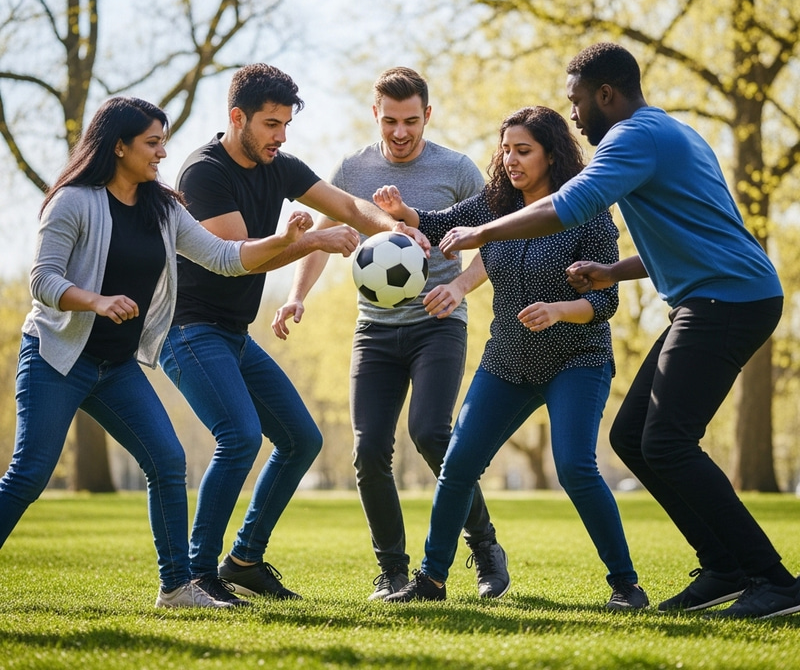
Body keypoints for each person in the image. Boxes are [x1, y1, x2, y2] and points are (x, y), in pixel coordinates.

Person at [436, 42, 800, 620]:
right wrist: (614, 271)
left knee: (668, 441)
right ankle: (723, 569)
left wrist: (484, 232)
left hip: (728, 298)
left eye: (577, 101)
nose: (574, 115)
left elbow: (568, 206)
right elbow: (691, 233)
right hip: (716, 295)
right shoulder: (671, 133)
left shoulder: (633, 137)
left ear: (605, 94)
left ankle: (774, 580)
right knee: (633, 437)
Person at [0, 96, 319, 609]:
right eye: (152, 143)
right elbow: (42, 280)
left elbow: (223, 257)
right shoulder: (73, 201)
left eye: (163, 142)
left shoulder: (164, 208)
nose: (162, 153)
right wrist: (96, 300)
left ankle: (176, 588)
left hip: (115, 366)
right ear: (118, 146)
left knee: (167, 461)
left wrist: (284, 240)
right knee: (30, 474)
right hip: (56, 357)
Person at [159, 63, 425, 606]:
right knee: (239, 438)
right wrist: (313, 242)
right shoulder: (203, 173)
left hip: (232, 334)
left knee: (301, 439)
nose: (280, 136)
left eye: (285, 125)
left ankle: (244, 561)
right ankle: (198, 574)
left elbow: (346, 206)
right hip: (188, 330)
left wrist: (395, 229)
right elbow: (239, 258)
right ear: (237, 117)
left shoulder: (278, 166)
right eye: (271, 124)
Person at [373, 105, 648, 609]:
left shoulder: (586, 208)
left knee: (575, 467)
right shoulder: (495, 203)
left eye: (523, 151)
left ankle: (626, 586)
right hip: (508, 361)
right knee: (458, 464)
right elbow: (441, 223)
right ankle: (431, 581)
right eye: (506, 151)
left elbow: (606, 300)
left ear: (551, 154)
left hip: (576, 358)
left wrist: (559, 310)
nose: (511, 160)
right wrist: (405, 213)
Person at [272, 67, 509, 600]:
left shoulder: (458, 169)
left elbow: (496, 242)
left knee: (431, 434)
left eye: (411, 121)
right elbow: (326, 238)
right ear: (375, 115)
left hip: (437, 326)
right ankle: (393, 570)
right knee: (370, 450)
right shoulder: (351, 170)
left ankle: (484, 546)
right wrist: (296, 295)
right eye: (390, 121)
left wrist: (459, 288)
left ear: (428, 115)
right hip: (374, 331)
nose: (400, 132)